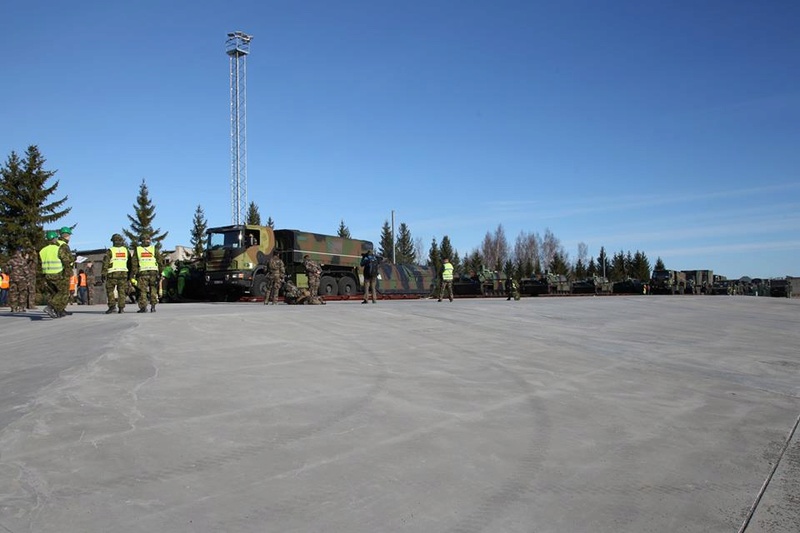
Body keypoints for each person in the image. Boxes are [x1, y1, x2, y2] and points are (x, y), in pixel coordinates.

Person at [38, 230, 72, 318]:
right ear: (55, 239)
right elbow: (66, 261)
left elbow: (39, 263)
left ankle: (57, 311)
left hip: (46, 275)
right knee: (62, 292)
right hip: (57, 274)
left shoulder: (42, 251)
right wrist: (68, 272)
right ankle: (50, 307)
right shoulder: (58, 249)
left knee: (53, 292)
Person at [131, 235, 163, 313]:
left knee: (142, 291)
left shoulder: (138, 250)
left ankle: (143, 307)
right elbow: (159, 261)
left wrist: (134, 273)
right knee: (153, 289)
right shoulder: (154, 249)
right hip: (153, 272)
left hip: (143, 273)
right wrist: (160, 272)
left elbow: (134, 263)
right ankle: (153, 307)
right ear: (149, 240)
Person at [103, 233, 130, 314]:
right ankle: (121, 308)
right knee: (122, 291)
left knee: (110, 290)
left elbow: (106, 263)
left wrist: (103, 273)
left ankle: (112, 307)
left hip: (112, 274)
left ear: (113, 241)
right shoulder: (126, 250)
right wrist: (130, 274)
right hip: (123, 274)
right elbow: (130, 263)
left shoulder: (110, 251)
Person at [7, 247, 33, 313]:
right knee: (22, 293)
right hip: (22, 280)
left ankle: (13, 308)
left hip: (12, 279)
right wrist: (28, 280)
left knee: (13, 293)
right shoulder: (23, 261)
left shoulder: (10, 261)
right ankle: (21, 307)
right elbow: (26, 271)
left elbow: (6, 270)